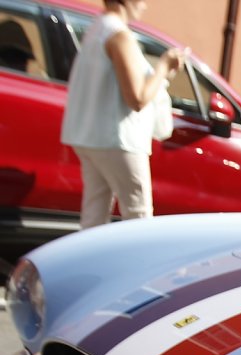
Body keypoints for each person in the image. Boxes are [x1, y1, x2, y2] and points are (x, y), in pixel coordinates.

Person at [60, 0, 187, 228]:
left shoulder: (98, 28)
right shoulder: (119, 36)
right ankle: (141, 264)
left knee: (94, 218)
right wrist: (164, 67)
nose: (145, 5)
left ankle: (89, 264)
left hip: (90, 136)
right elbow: (137, 99)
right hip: (119, 140)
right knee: (138, 218)